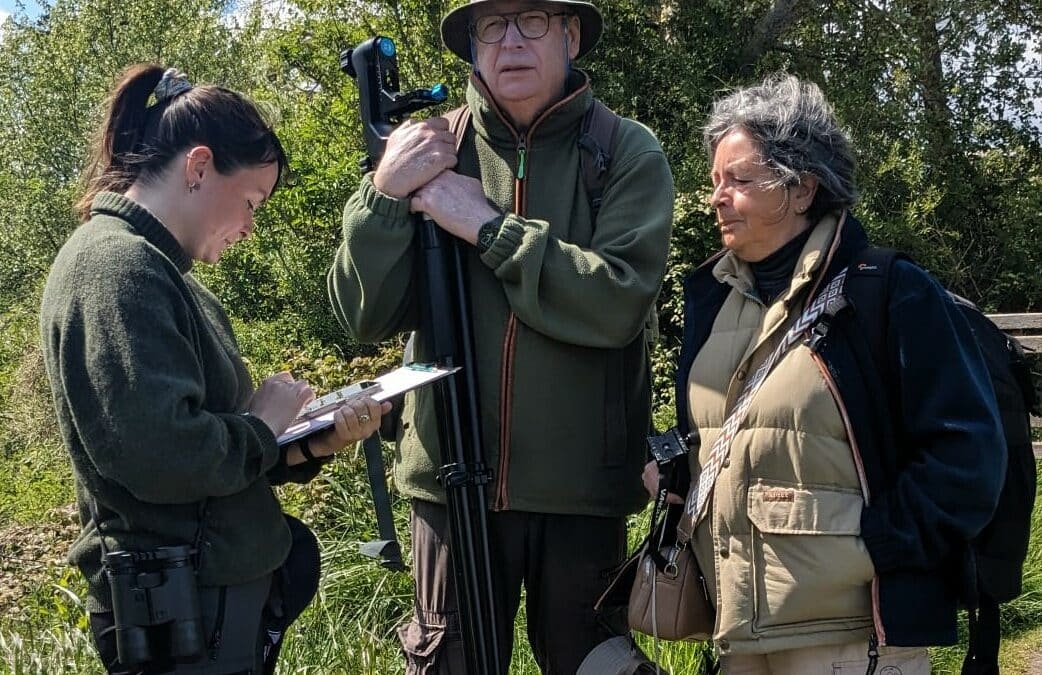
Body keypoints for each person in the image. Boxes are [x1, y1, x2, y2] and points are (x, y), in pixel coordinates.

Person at [328, 1, 674, 672]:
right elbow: (360, 316)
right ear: (473, 45)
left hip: (581, 494)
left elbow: (617, 303)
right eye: (492, 25)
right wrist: (382, 194)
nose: (511, 41)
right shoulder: (429, 148)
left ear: (570, 35)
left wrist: (489, 227)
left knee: (595, 663)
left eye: (534, 21)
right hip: (448, 488)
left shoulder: (625, 150)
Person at [642, 74, 1006, 674]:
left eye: (739, 180)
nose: (715, 197)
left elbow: (968, 457)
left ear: (802, 188)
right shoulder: (713, 301)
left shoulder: (885, 292)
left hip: (851, 634)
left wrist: (880, 546)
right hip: (736, 631)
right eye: (715, 181)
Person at [39, 64, 389, 675]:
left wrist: (308, 441)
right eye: (251, 201)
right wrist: (261, 428)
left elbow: (209, 458)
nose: (251, 227)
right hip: (181, 615)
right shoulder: (115, 268)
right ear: (199, 167)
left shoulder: (166, 276)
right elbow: (162, 455)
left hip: (208, 605)